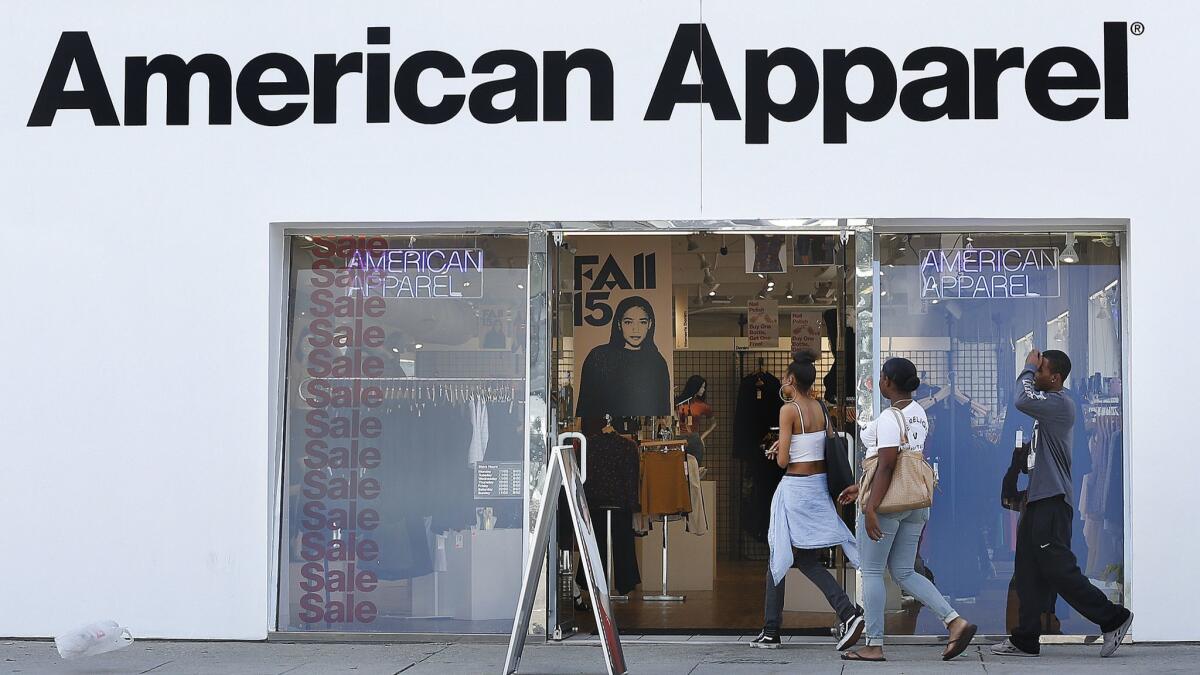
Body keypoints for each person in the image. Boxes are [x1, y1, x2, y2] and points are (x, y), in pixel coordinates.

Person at [991, 349, 1133, 658]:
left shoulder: (1060, 403)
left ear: (1054, 377)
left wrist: (1027, 367)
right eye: (1035, 369)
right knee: (1027, 571)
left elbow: (1021, 399)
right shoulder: (1050, 408)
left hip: (1052, 502)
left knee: (1060, 570)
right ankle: (1025, 638)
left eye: (1040, 370)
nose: (1035, 373)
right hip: (1038, 499)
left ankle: (1113, 618)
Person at [841, 357, 977, 663]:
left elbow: (888, 465)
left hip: (888, 502)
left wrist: (871, 505)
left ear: (888, 381)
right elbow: (899, 462)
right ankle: (955, 621)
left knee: (873, 571)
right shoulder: (918, 413)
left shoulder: (891, 418)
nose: (878, 381)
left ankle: (874, 645)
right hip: (915, 501)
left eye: (880, 376)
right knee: (904, 571)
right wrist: (861, 485)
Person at [750, 353, 865, 651]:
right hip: (818, 487)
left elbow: (785, 460)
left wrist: (776, 452)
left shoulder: (789, 410)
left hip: (796, 488)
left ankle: (774, 630)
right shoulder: (821, 407)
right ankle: (844, 613)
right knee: (805, 559)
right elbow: (825, 446)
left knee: (780, 555)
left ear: (789, 379)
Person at [575, 296, 671, 418]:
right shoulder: (598, 357)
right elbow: (584, 408)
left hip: (643, 433)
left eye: (642, 322)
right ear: (619, 324)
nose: (635, 329)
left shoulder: (657, 362)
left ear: (650, 324)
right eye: (628, 322)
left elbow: (663, 411)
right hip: (601, 434)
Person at [675, 375, 717, 462]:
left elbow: (713, 423)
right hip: (678, 438)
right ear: (695, 387)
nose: (703, 390)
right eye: (702, 387)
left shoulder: (702, 406)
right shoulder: (678, 402)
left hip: (694, 439)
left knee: (694, 470)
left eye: (704, 387)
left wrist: (702, 437)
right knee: (678, 470)